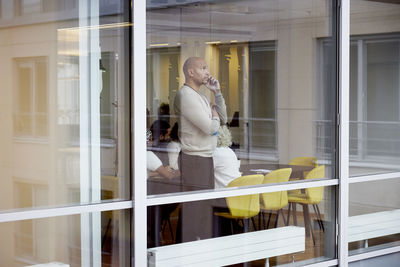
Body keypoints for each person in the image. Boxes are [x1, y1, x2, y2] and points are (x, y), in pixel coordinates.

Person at [174, 56, 227, 190]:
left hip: (204, 157)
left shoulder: (200, 96)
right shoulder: (186, 95)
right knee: (197, 207)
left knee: (204, 205)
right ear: (191, 73)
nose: (207, 72)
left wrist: (217, 93)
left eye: (207, 68)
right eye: (203, 68)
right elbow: (210, 128)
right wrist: (214, 116)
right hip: (194, 160)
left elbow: (223, 119)